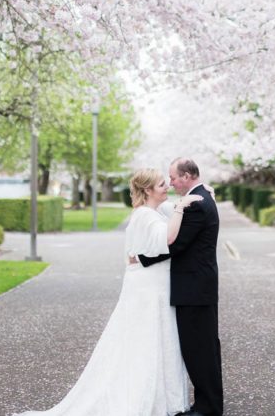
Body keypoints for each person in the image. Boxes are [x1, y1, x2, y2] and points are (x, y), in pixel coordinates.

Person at [13, 168, 203, 416]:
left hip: (154, 285)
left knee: (159, 339)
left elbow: (172, 216)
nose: (166, 186)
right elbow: (168, 237)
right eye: (160, 185)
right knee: (144, 340)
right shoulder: (144, 215)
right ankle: (140, 397)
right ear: (147, 190)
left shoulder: (154, 211)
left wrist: (196, 191)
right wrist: (181, 206)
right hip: (147, 289)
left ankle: (160, 396)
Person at [136, 158, 223, 416]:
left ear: (187, 176)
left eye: (173, 178)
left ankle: (207, 408)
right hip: (198, 286)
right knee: (205, 347)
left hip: (194, 288)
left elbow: (176, 244)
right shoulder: (200, 197)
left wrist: (141, 258)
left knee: (200, 350)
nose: (171, 182)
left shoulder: (197, 203)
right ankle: (209, 404)